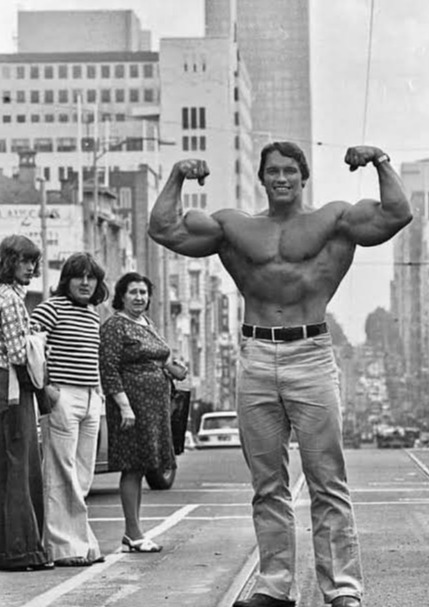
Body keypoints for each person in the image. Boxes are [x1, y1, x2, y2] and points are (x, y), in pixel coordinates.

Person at [148, 143, 413, 607]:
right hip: (256, 355)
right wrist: (177, 175)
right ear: (262, 178)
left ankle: (343, 588)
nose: (282, 178)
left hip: (311, 354)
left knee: (326, 479)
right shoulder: (235, 226)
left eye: (290, 170)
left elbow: (396, 214)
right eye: (273, 171)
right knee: (267, 483)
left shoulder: (334, 219)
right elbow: (164, 228)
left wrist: (380, 161)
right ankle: (273, 585)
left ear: (303, 177)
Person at [99, 271, 187, 553]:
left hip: (154, 406)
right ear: (122, 296)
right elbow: (108, 369)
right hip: (132, 406)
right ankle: (133, 532)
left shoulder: (147, 323)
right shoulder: (115, 325)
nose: (139, 297)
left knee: (142, 466)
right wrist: (124, 406)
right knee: (132, 466)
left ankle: (133, 532)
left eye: (143, 292)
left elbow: (161, 358)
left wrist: (174, 369)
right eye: (133, 292)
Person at [30, 252, 108, 567]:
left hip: (90, 398)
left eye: (91, 277)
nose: (85, 283)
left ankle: (82, 542)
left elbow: (93, 357)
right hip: (63, 396)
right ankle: (63, 548)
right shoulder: (51, 308)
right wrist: (46, 388)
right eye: (79, 277)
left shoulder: (92, 313)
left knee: (82, 475)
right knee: (60, 473)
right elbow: (31, 347)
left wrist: (98, 393)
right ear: (67, 280)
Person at [0, 234, 52, 571]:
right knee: (20, 467)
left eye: (34, 261)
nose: (31, 267)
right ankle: (22, 549)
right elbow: (19, 353)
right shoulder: (10, 299)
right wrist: (39, 342)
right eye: (24, 261)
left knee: (7, 467)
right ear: (9, 262)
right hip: (13, 388)